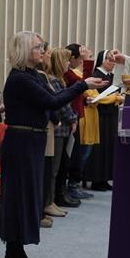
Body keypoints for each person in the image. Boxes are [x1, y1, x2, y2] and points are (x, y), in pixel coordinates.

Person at [0, 31, 106, 258]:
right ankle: (13, 254)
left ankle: (16, 252)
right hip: (21, 142)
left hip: (31, 140)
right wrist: (83, 85)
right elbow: (53, 101)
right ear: (25, 50)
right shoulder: (20, 79)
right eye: (38, 47)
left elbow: (53, 100)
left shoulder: (33, 75)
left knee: (29, 195)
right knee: (20, 196)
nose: (43, 51)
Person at [40, 49, 78, 222]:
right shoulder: (54, 80)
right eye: (66, 60)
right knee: (52, 169)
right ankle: (48, 202)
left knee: (57, 169)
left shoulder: (60, 79)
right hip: (57, 129)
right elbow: (62, 105)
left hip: (61, 129)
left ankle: (52, 200)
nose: (69, 63)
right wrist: (72, 118)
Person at [84, 50, 121, 190]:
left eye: (114, 60)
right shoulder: (96, 75)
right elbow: (96, 97)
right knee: (99, 149)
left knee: (108, 147)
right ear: (102, 60)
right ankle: (96, 179)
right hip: (100, 115)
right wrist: (116, 97)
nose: (113, 63)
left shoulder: (112, 76)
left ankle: (105, 178)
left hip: (111, 115)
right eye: (109, 59)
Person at [64, 43, 95, 201]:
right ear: (73, 58)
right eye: (80, 58)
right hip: (69, 117)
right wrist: (87, 61)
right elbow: (83, 84)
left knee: (76, 153)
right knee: (72, 154)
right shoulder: (67, 73)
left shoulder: (70, 72)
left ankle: (71, 187)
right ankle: (70, 187)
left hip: (76, 115)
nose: (81, 62)